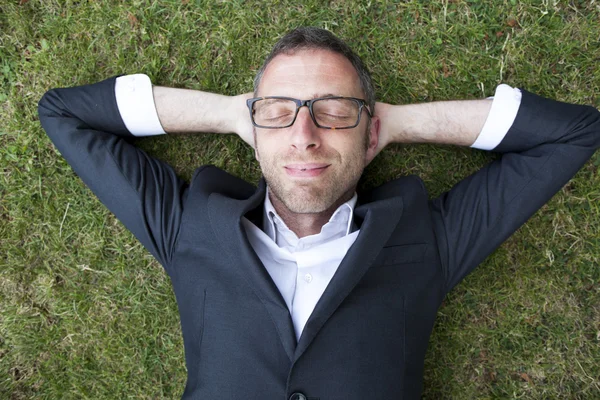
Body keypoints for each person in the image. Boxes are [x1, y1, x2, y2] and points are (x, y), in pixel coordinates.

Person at [38, 27, 600, 400]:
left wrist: (394, 123)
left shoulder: (426, 240)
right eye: (281, 112)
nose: (304, 136)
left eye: (332, 112)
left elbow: (573, 132)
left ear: (370, 128)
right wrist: (237, 115)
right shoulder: (190, 225)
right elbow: (64, 113)